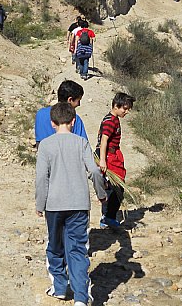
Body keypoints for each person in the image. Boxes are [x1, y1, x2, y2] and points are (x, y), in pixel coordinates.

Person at [36, 102, 106, 306]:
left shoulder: (46, 145)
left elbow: (42, 178)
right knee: (77, 249)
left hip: (54, 205)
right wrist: (101, 194)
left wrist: (40, 205)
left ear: (52, 123)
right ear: (73, 121)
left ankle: (59, 288)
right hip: (79, 204)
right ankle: (81, 298)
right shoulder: (81, 143)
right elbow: (94, 171)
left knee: (55, 246)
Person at [97, 92, 135, 229]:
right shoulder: (110, 121)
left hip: (113, 155)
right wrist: (103, 161)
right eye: (124, 108)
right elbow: (104, 140)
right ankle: (108, 217)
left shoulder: (114, 119)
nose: (126, 111)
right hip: (109, 157)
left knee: (113, 187)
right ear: (116, 106)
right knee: (117, 188)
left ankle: (107, 217)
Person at [35, 80, 88, 145]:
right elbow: (83, 145)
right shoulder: (75, 119)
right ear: (70, 100)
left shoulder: (40, 114)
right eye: (78, 100)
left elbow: (39, 142)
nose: (79, 104)